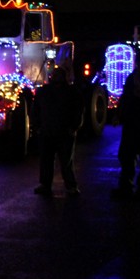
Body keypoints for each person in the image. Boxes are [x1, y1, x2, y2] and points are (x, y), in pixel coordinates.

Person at [31, 66, 84, 198]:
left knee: (64, 160)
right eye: (55, 75)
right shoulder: (46, 91)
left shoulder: (69, 92)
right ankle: (49, 185)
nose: (56, 77)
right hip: (50, 131)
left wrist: (74, 127)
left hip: (62, 131)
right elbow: (35, 110)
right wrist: (37, 125)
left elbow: (78, 111)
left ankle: (69, 185)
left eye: (58, 75)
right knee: (48, 160)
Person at [112, 49, 140, 199]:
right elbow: (125, 98)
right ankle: (128, 185)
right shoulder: (134, 78)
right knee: (128, 155)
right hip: (134, 121)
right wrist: (119, 114)